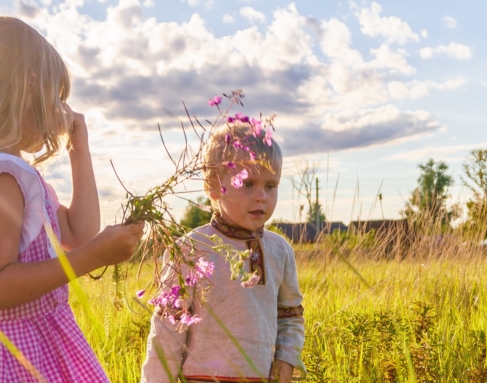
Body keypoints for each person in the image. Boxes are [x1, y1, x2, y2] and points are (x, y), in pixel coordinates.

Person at [0, 16, 144, 383]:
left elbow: (78, 232)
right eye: (58, 96)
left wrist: (80, 146)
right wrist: (91, 258)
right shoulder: (5, 177)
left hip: (43, 340)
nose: (63, 110)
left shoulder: (24, 175)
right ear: (33, 88)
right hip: (18, 352)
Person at [141, 120, 306, 382]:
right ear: (213, 187)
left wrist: (287, 358)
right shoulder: (189, 249)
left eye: (270, 185)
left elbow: (290, 315)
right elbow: (167, 331)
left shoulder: (279, 249)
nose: (261, 196)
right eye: (248, 183)